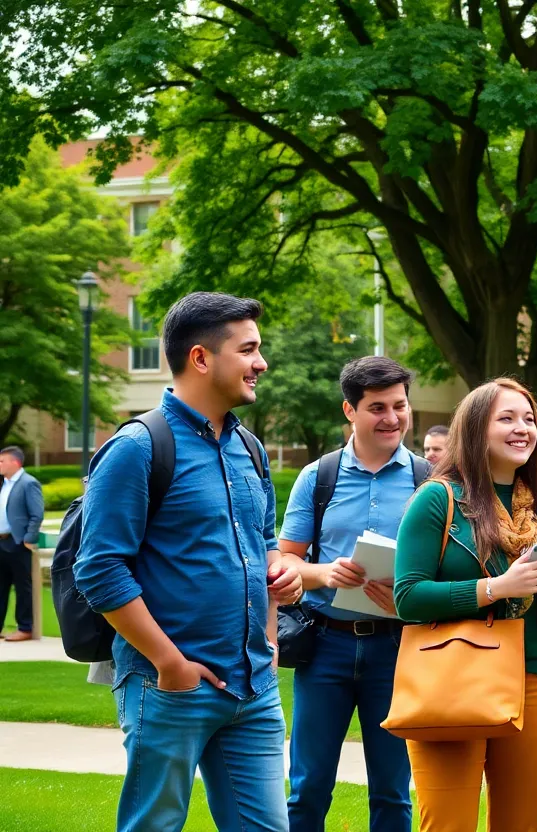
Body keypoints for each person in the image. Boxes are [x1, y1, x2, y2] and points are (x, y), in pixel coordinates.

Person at [74, 292, 303, 832]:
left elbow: (265, 545)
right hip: (169, 687)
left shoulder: (250, 448)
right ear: (201, 358)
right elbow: (99, 569)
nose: (262, 363)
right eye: (248, 350)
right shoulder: (137, 447)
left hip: (254, 687)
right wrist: (170, 664)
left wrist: (279, 595)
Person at [394, 378, 537, 832]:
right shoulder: (438, 499)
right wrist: (496, 588)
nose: (523, 428)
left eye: (529, 419)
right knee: (449, 825)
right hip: (452, 676)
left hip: (535, 677)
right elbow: (408, 597)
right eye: (507, 418)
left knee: (521, 825)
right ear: (476, 429)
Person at [279, 356, 427, 832]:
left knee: (393, 791)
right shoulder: (317, 477)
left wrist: (412, 590)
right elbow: (285, 562)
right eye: (377, 408)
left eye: (399, 406)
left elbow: (451, 567)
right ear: (350, 410)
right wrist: (325, 573)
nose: (392, 418)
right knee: (307, 787)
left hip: (399, 648)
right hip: (325, 646)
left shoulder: (430, 480)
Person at [0, 446, 43, 642]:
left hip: (17, 544)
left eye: (2, 461)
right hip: (2, 543)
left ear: (15, 462)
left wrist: (28, 539)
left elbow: (37, 514)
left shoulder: (28, 483)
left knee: (22, 587)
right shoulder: (4, 484)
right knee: (1, 587)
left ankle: (25, 628)